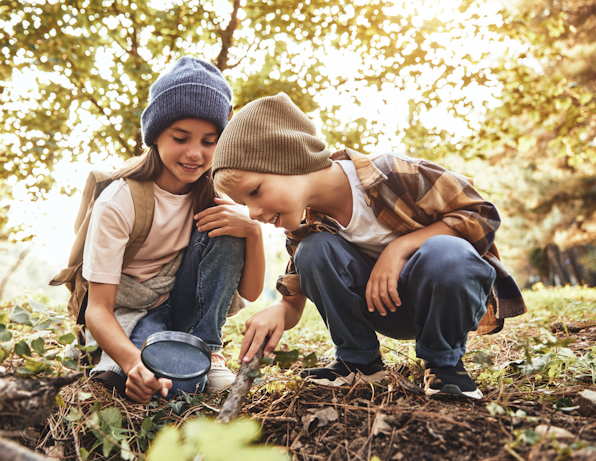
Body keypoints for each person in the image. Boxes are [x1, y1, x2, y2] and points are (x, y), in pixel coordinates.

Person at [211, 92, 526, 399]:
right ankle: (360, 363)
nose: (252, 213)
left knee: (448, 252)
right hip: (382, 310)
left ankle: (444, 366)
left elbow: (480, 214)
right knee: (314, 249)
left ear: (290, 160)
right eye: (242, 203)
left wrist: (399, 248)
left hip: (441, 299)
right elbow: (294, 300)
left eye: (254, 192)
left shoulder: (393, 174)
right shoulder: (303, 228)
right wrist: (279, 311)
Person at [81, 57, 264, 404]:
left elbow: (251, 292)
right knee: (169, 388)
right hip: (131, 311)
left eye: (209, 142)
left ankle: (207, 350)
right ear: (156, 135)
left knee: (227, 225)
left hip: (183, 305)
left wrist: (252, 230)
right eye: (181, 138)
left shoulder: (214, 196)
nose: (195, 153)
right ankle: (130, 358)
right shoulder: (119, 201)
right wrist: (133, 364)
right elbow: (97, 308)